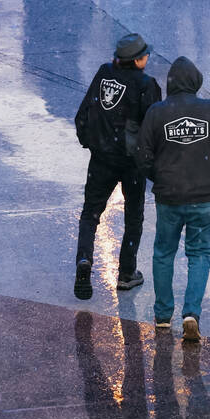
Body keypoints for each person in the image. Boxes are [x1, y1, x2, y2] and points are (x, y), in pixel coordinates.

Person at [136, 56, 210, 342]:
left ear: (171, 84)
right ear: (196, 82)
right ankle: (191, 312)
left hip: (169, 198)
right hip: (203, 197)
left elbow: (142, 155)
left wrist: (162, 177)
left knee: (164, 253)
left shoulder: (157, 112)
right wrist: (207, 173)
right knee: (199, 253)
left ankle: (163, 315)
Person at [74, 33, 161, 300]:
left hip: (101, 158)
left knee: (91, 213)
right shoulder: (147, 85)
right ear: (137, 60)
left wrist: (91, 143)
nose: (147, 58)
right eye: (145, 55)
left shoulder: (103, 73)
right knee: (133, 217)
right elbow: (154, 129)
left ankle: (84, 260)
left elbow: (83, 114)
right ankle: (126, 273)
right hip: (131, 162)